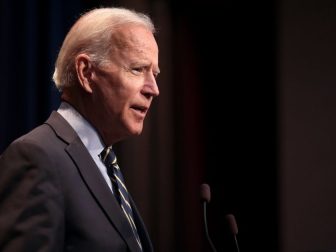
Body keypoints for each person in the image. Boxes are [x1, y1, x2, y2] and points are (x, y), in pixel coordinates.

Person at [0, 6, 160, 252]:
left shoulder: (105, 162)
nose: (153, 89)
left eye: (154, 74)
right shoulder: (37, 157)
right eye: (138, 69)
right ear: (86, 73)